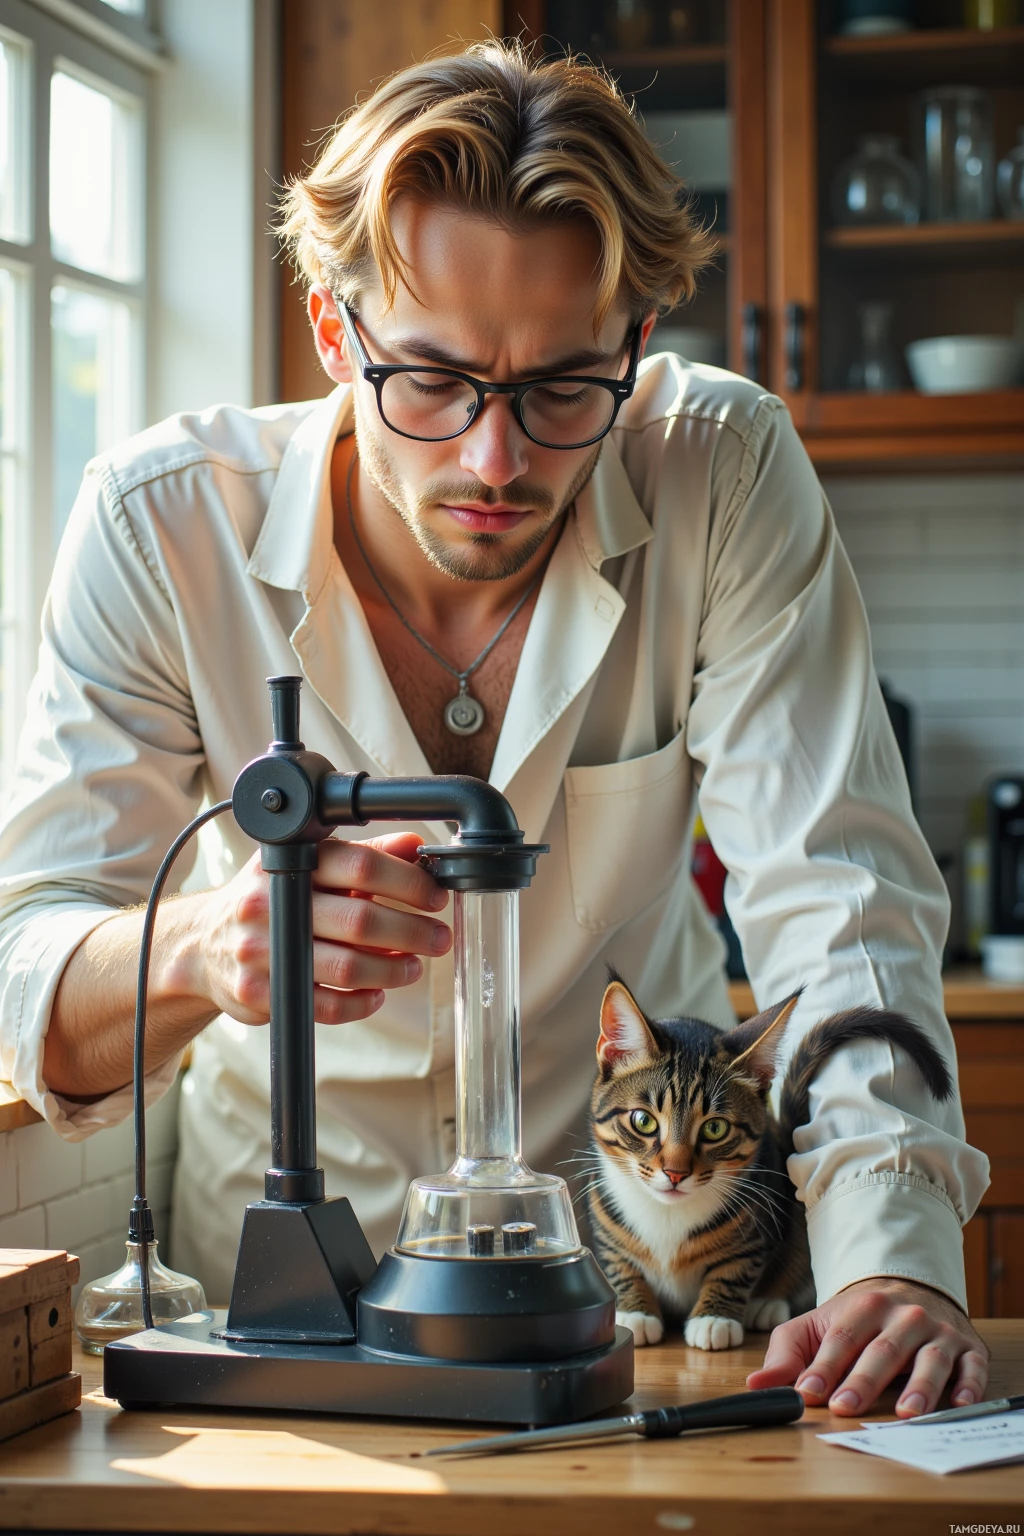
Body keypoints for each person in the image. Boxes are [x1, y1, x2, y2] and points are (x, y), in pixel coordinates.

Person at [0, 40, 989, 1419]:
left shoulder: (723, 470)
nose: (496, 462)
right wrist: (210, 945)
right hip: (274, 1322)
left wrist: (897, 1261)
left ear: (637, 343)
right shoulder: (159, 525)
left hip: (632, 1300)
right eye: (434, 382)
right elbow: (28, 958)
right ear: (334, 332)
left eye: (562, 388)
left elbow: (841, 894)